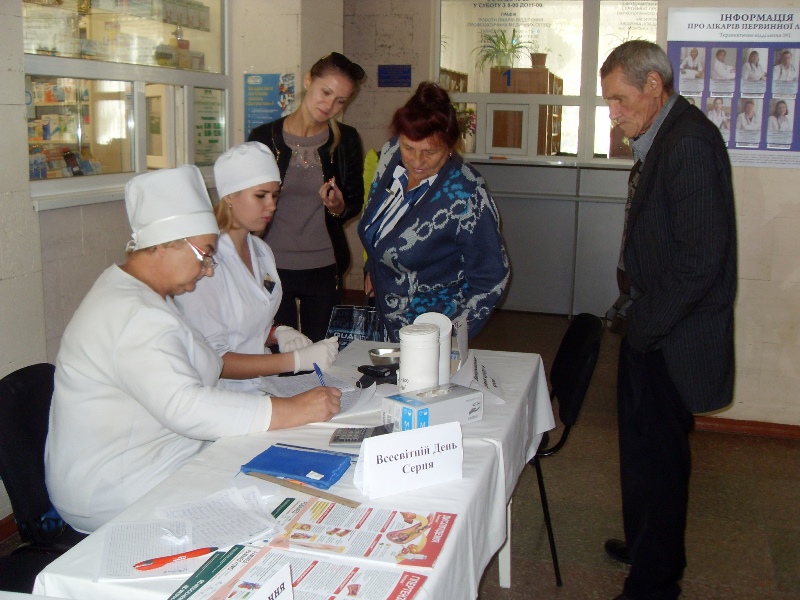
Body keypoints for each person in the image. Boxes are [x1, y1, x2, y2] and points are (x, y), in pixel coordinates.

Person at [44, 165, 342, 533]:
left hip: (167, 454)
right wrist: (291, 409)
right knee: (275, 512)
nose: (209, 270)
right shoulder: (132, 313)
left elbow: (206, 363)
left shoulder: (146, 295)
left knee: (283, 477)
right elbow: (185, 406)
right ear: (166, 244)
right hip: (117, 486)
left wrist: (276, 341)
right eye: (205, 255)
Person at [600, 41, 736, 600]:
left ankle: (655, 583)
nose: (613, 113)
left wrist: (647, 327)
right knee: (641, 450)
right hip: (652, 322)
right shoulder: (662, 137)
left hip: (670, 333)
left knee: (659, 462)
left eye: (619, 99)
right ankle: (646, 544)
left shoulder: (689, 143)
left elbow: (702, 259)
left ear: (654, 85)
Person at [174, 142, 340, 392]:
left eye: (275, 195)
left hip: (262, 386)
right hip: (222, 394)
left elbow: (246, 328)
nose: (272, 205)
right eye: (261, 195)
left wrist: (276, 333)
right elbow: (213, 360)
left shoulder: (261, 251)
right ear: (229, 196)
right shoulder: (205, 263)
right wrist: (294, 361)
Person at [357, 82, 509, 341]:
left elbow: (492, 277)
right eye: (409, 148)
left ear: (450, 146)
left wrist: (453, 337)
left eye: (430, 152)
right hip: (383, 323)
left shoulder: (466, 193)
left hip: (430, 334)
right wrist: (374, 264)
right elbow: (380, 223)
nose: (417, 161)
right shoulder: (391, 154)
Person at [248, 52, 366, 342]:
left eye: (340, 101)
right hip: (272, 265)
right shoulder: (264, 138)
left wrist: (338, 205)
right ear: (308, 81)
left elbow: (354, 201)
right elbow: (245, 200)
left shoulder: (346, 140)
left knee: (322, 352)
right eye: (325, 92)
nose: (329, 105)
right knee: (281, 352)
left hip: (324, 264)